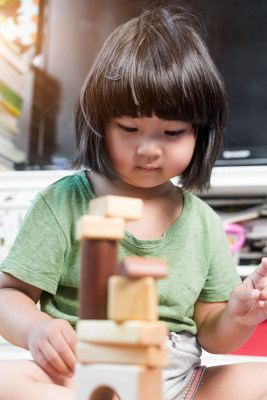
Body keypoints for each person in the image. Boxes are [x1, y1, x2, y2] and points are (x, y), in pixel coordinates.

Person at [0, 5, 267, 400]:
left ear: (200, 134)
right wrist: (36, 328)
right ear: (99, 122)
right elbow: (10, 294)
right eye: (129, 128)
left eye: (172, 132)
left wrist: (237, 316)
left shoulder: (204, 223)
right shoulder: (63, 203)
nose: (148, 150)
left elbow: (212, 335)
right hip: (80, 380)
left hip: (178, 381)